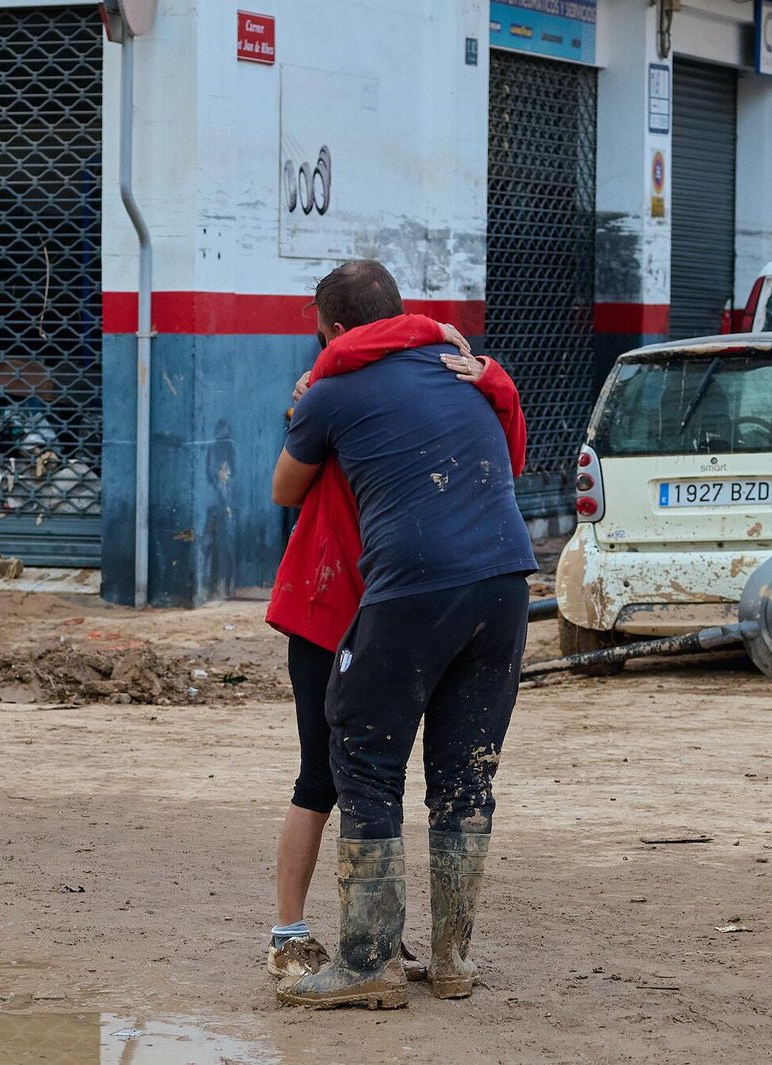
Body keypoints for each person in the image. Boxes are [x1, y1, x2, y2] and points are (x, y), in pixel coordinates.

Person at [271, 260, 536, 1008]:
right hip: (508, 580)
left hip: (416, 584)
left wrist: (313, 409)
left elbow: (284, 489)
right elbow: (509, 456)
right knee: (465, 773)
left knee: (361, 753)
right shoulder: (467, 369)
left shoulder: (333, 388)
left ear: (334, 330)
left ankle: (367, 961)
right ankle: (452, 961)